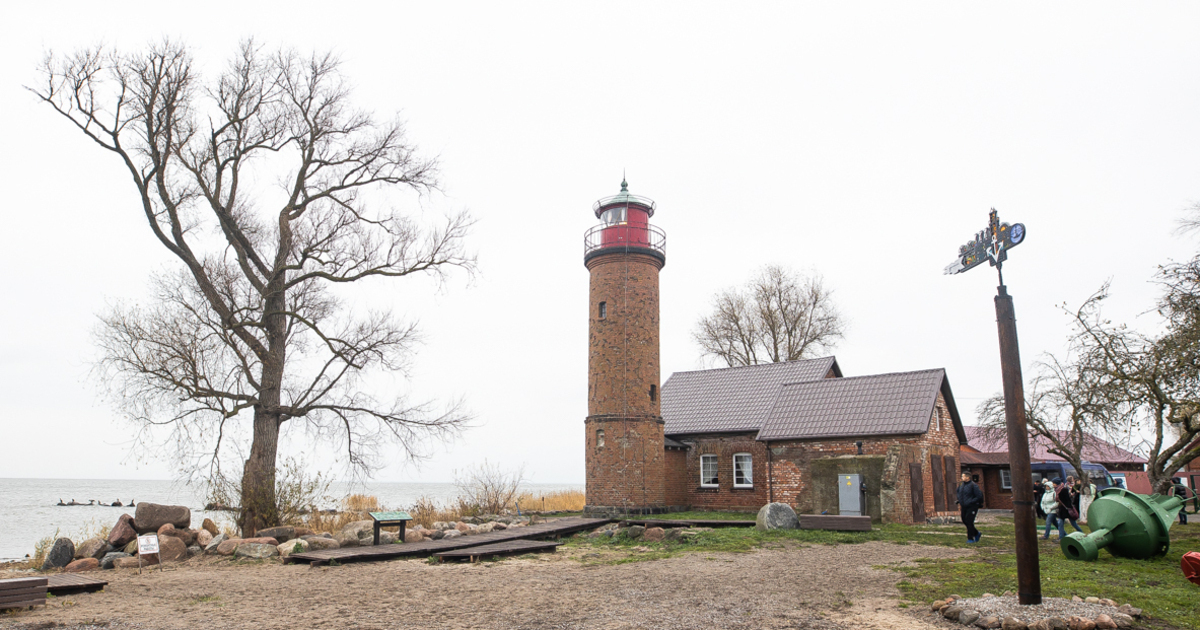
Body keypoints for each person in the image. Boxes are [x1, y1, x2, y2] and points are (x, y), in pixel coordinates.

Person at [956, 471, 984, 543]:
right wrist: (959, 500)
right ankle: (976, 533)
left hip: (972, 506)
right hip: (964, 506)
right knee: (964, 520)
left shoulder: (973, 485)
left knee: (969, 521)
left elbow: (979, 496)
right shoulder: (961, 484)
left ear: (968, 477)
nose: (962, 478)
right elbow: (959, 492)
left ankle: (970, 538)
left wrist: (971, 501)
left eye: (963, 476)